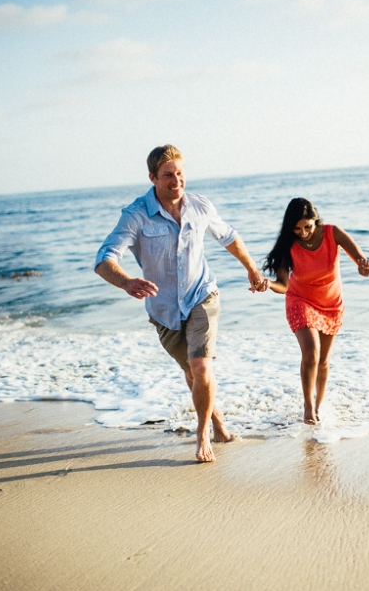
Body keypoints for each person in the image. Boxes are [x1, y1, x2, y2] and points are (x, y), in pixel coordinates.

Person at [95, 144, 268, 462]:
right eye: (167, 176)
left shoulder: (200, 206)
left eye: (179, 173)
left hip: (203, 295)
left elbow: (228, 236)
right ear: (152, 178)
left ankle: (203, 437)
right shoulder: (135, 215)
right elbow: (104, 259)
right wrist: (127, 281)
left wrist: (252, 268)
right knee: (192, 372)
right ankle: (218, 425)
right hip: (163, 310)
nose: (176, 181)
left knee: (202, 366)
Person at [262, 198, 369, 424]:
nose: (303, 233)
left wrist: (364, 267)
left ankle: (320, 406)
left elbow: (360, 260)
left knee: (323, 361)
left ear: (316, 221)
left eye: (307, 227)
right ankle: (308, 407)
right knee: (311, 353)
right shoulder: (289, 246)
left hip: (331, 304)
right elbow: (283, 285)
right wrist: (266, 283)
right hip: (300, 300)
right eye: (297, 228)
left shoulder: (334, 233)